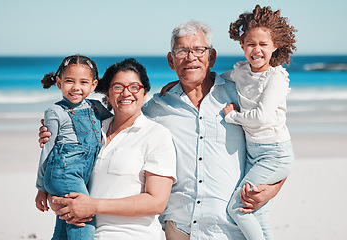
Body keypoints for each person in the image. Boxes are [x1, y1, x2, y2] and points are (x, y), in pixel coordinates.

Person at [40, 21, 284, 239]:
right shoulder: (157, 108)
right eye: (181, 51)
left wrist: (273, 188)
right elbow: (122, 114)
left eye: (198, 50)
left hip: (231, 229)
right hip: (179, 229)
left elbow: (274, 146)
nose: (190, 57)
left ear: (211, 56)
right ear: (171, 60)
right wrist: (58, 125)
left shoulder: (238, 97)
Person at [49, 58, 177, 239]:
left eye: (134, 87)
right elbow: (66, 174)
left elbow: (156, 202)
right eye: (118, 87)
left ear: (144, 94)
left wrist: (93, 206)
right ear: (107, 95)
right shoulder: (91, 130)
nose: (126, 93)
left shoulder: (156, 135)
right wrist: (56, 201)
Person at [221, 5, 297, 240]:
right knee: (256, 210)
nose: (257, 50)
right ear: (242, 45)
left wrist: (232, 116)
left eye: (263, 44)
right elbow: (214, 79)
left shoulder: (276, 78)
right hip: (254, 152)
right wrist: (177, 82)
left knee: (237, 208)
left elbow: (261, 118)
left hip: (275, 154)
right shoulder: (241, 71)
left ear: (275, 46)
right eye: (251, 44)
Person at [35, 55, 111, 239]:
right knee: (83, 218)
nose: (76, 87)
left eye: (83, 82)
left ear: (93, 85)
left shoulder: (96, 107)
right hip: (63, 173)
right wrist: (40, 187)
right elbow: (48, 148)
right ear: (59, 82)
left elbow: (119, 121)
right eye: (69, 81)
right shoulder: (55, 111)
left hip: (82, 175)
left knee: (64, 224)